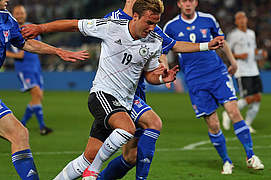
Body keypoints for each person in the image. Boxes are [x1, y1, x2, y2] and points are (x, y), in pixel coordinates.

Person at [21, 0, 224, 179]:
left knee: (87, 157)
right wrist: (41, 28)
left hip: (124, 102)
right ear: (135, 15)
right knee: (129, 129)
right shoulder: (111, 25)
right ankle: (94, 171)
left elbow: (151, 75)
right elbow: (74, 25)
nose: (153, 27)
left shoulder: (155, 40)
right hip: (102, 94)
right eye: (149, 22)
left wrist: (163, 77)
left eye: (156, 23)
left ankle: (81, 170)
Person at [163, 0, 264, 174]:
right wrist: (165, 71)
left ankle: (251, 156)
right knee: (214, 124)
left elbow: (221, 42)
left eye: (191, 0)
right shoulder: (171, 27)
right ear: (179, 3)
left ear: (195, 2)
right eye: (184, 1)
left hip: (217, 73)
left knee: (234, 111)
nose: (188, 4)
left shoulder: (208, 19)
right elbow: (163, 52)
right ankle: (226, 161)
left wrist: (232, 62)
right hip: (195, 80)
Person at [0, 0, 89, 179]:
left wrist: (58, 51)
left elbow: (27, 44)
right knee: (19, 133)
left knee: (19, 133)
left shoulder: (6, 19)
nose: (7, 0)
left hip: (33, 70)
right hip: (26, 71)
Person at [6, 5, 53, 135]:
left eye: (22, 13)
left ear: (25, 14)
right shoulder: (9, 28)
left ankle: (25, 124)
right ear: (13, 14)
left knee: (39, 97)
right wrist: (16, 55)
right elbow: (4, 49)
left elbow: (38, 46)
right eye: (17, 13)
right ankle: (39, 126)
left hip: (36, 67)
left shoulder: (31, 27)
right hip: (24, 68)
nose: (20, 15)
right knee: (37, 94)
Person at [222, 11, 268, 134]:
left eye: (243, 17)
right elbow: (227, 52)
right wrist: (238, 55)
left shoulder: (251, 33)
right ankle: (228, 113)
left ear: (246, 19)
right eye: (239, 18)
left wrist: (260, 54)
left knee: (257, 98)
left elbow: (252, 52)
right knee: (248, 97)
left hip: (254, 70)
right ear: (236, 21)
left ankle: (247, 124)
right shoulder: (233, 35)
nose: (242, 20)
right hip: (242, 71)